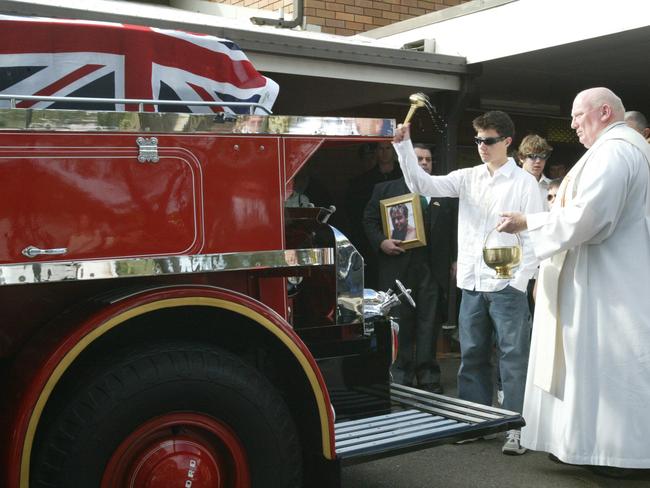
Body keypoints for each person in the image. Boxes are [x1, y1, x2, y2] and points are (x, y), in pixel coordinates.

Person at [497, 87, 650, 475]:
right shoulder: (618, 149)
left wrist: (528, 221)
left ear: (603, 112)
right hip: (605, 277)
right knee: (591, 368)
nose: (572, 125)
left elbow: (589, 219)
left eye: (577, 116)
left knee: (611, 367)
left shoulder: (617, 151)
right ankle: (586, 445)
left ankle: (620, 455)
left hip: (608, 284)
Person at [393, 111, 543, 455]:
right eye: (477, 140)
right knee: (472, 354)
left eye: (488, 140)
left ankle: (515, 428)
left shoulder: (525, 183)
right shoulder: (468, 176)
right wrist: (404, 148)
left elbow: (536, 234)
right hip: (473, 282)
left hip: (506, 283)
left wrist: (520, 280)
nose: (481, 147)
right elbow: (421, 185)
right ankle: (476, 423)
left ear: (507, 141)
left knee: (513, 357)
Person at [363, 143, 455, 394]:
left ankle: (428, 377)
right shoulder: (385, 189)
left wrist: (455, 260)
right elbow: (368, 221)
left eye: (428, 159)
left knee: (429, 322)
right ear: (405, 161)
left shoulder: (442, 193)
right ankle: (400, 376)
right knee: (400, 321)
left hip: (432, 268)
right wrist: (382, 241)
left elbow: (455, 230)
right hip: (397, 265)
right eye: (419, 159)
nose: (424, 163)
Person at [346, 142, 403, 289]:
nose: (384, 153)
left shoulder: (404, 177)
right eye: (381, 149)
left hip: (402, 240)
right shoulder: (363, 181)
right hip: (372, 240)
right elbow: (361, 215)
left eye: (388, 149)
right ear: (376, 152)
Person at [518, 134, 554, 209]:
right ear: (521, 157)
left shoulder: (553, 187)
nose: (538, 161)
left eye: (543, 156)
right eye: (533, 156)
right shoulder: (512, 183)